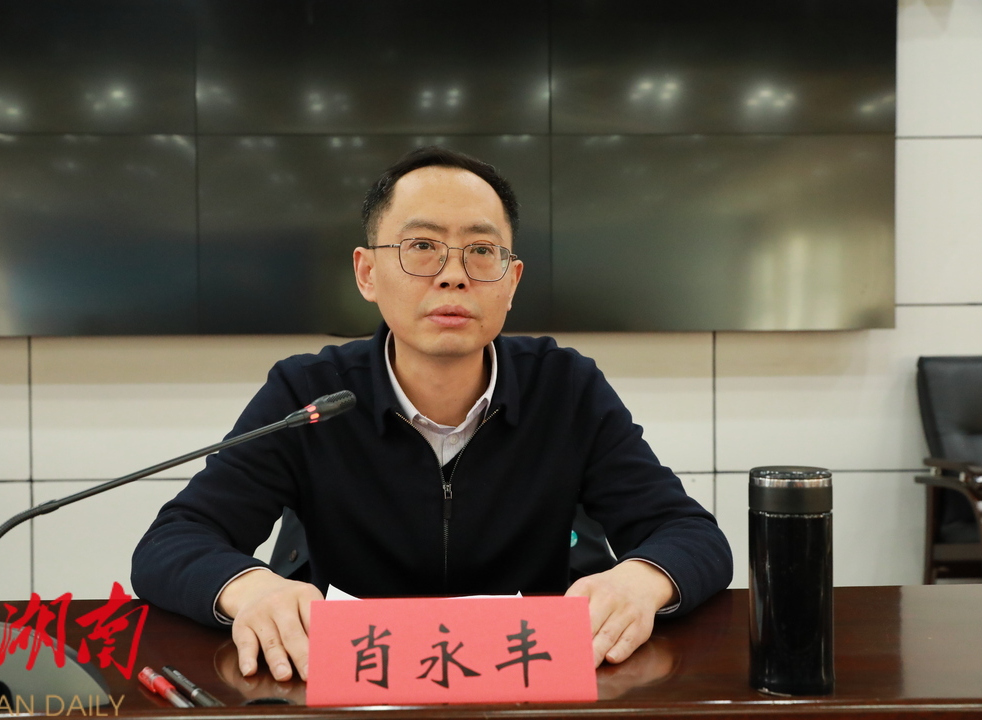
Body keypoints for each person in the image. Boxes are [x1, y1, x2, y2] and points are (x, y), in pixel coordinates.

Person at [132, 146, 732, 684]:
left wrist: (641, 580)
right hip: (352, 680)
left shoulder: (565, 387)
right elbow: (173, 542)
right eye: (422, 247)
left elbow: (691, 535)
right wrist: (250, 588)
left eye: (481, 251)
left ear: (512, 280)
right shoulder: (309, 393)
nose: (453, 276)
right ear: (367, 273)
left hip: (530, 683)